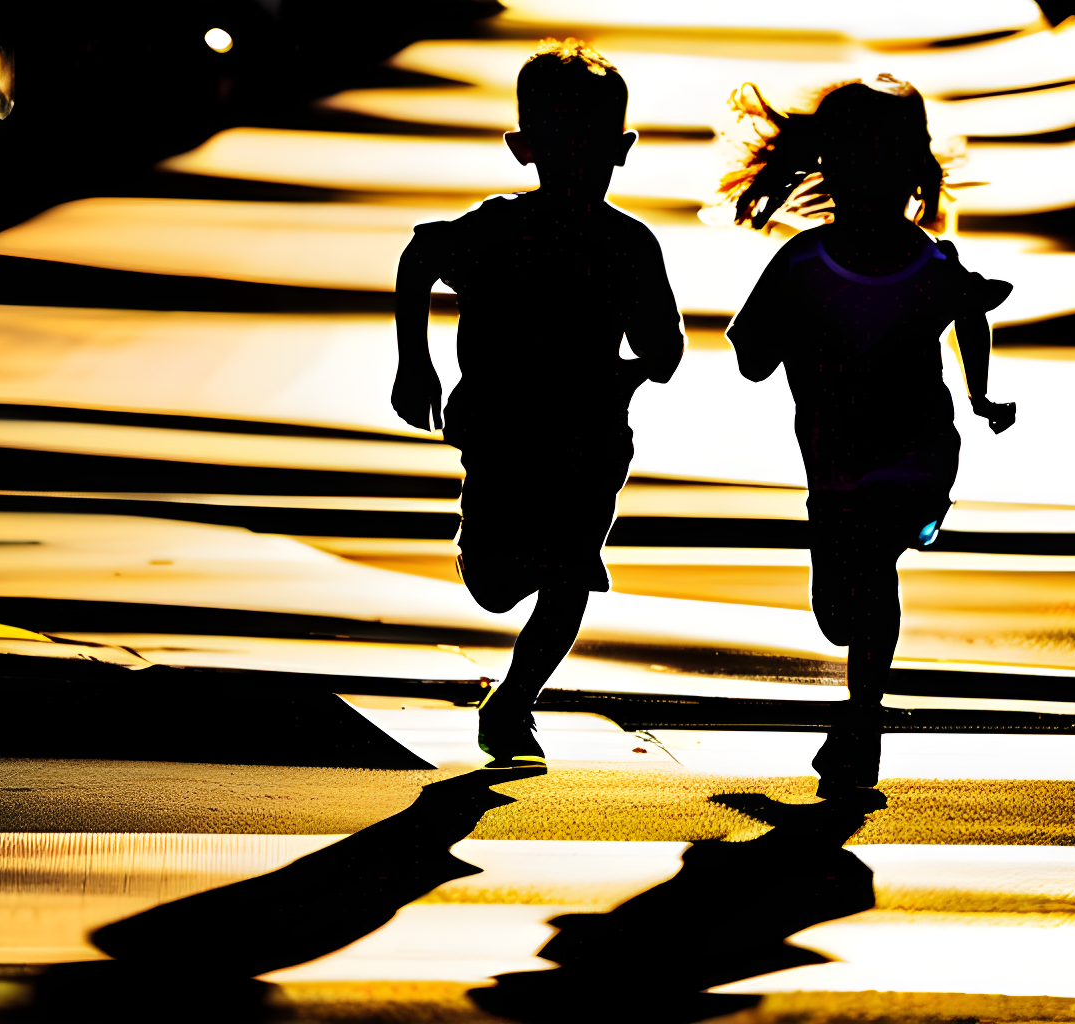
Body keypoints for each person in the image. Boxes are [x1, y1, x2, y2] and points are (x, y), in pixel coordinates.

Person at [391, 38, 684, 767]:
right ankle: (503, 609)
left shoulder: (628, 245)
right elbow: (419, 259)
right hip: (502, 430)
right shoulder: (497, 227)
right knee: (494, 585)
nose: (578, 163)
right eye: (562, 146)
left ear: (622, 149)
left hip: (587, 440)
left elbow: (665, 349)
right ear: (523, 148)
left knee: (569, 572)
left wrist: (633, 371)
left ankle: (514, 702)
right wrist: (413, 364)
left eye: (590, 147)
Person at [724, 75, 1017, 720]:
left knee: (874, 564)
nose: (872, 171)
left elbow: (969, 315)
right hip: (833, 461)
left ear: (915, 168)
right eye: (857, 155)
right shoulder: (801, 264)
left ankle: (862, 721)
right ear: (829, 163)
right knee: (837, 612)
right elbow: (749, 351)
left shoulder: (932, 264)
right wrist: (778, 343)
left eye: (889, 156)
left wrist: (982, 396)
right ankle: (861, 706)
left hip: (918, 452)